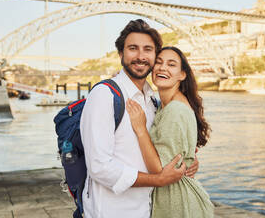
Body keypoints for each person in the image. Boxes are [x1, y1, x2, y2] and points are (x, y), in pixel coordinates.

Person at [80, 19, 199, 218]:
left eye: (148, 50)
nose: (141, 56)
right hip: (112, 211)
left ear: (154, 56)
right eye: (133, 48)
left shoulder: (152, 99)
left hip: (147, 210)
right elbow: (99, 167)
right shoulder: (104, 95)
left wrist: (189, 160)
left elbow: (164, 145)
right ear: (121, 54)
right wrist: (159, 180)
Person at [126, 46, 214, 217]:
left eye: (171, 64)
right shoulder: (165, 105)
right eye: (158, 63)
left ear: (182, 74)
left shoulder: (175, 110)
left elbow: (160, 170)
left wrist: (140, 129)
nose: (163, 67)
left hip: (178, 204)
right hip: (177, 200)